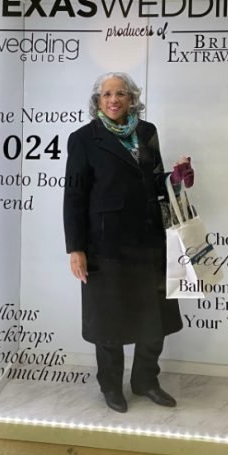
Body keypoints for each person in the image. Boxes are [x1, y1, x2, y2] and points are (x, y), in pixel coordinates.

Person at [63, 72, 192, 413]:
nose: (114, 99)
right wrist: (75, 248)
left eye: (121, 93)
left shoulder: (147, 133)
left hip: (151, 242)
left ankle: (146, 381)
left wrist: (176, 177)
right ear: (98, 100)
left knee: (154, 320)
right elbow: (74, 196)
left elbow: (155, 181)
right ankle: (111, 386)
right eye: (107, 94)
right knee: (109, 321)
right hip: (106, 247)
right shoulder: (84, 139)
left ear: (132, 98)